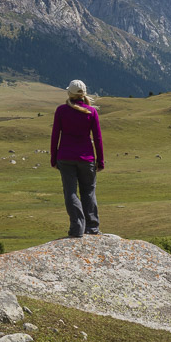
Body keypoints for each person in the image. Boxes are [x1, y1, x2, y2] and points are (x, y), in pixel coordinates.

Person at [49, 79, 105, 238]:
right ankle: (92, 227)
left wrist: (53, 158)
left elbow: (55, 136)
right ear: (84, 94)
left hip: (65, 157)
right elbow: (98, 138)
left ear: (69, 93)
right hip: (86, 159)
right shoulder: (92, 112)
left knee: (70, 192)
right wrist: (100, 161)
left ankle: (77, 227)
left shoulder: (61, 111)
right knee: (88, 192)